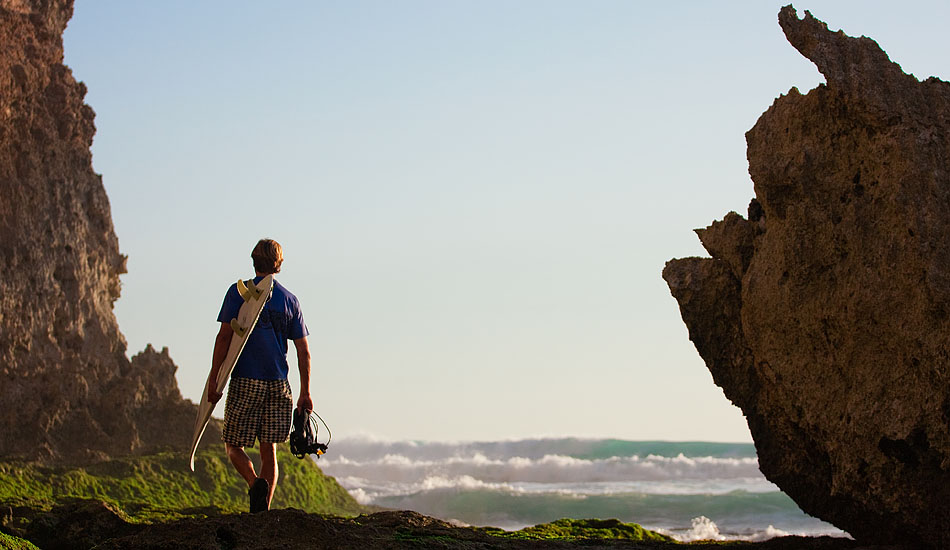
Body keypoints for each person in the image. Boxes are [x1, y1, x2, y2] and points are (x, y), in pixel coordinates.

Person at [206, 238, 312, 512]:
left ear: (254, 261)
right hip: (279, 384)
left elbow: (224, 337)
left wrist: (214, 377)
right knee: (269, 450)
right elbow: (303, 352)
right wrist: (305, 392)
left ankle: (254, 483)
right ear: (278, 264)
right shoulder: (290, 300)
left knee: (233, 445)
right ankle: (262, 512)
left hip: (246, 380)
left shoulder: (237, 293)